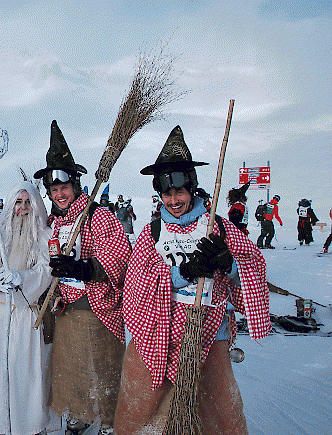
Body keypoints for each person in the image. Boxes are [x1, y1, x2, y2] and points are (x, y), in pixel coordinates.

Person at [114, 126, 271, 435]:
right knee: (142, 408)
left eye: (180, 191)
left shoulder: (220, 228)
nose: (174, 200)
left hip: (210, 332)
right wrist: (182, 273)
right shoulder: (152, 232)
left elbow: (255, 268)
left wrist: (229, 264)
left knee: (217, 410)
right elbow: (136, 285)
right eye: (166, 193)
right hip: (159, 332)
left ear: (193, 188)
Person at [33, 120, 131, 434]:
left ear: (74, 186)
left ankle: (107, 414)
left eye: (63, 187)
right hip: (65, 306)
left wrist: (84, 268)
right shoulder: (50, 221)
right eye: (53, 189)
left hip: (97, 306)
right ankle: (79, 410)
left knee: (101, 364)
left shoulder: (98, 215)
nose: (59, 194)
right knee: (71, 366)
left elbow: (118, 257)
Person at [0, 181, 55, 435]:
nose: (24, 208)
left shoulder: (44, 235)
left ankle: (24, 426)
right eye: (19, 202)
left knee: (20, 371)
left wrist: (22, 279)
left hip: (24, 313)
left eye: (28, 202)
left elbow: (46, 271)